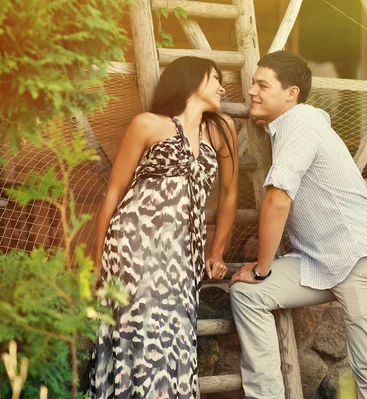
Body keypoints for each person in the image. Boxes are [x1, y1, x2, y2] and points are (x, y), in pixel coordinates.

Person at [229, 50, 367, 399]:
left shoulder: (301, 121)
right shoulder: (291, 125)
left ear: (291, 93)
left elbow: (278, 201)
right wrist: (259, 277)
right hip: (322, 263)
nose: (251, 91)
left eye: (263, 85)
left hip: (362, 261)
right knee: (248, 294)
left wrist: (262, 268)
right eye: (252, 84)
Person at [88, 56, 238, 399]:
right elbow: (115, 191)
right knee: (138, 335)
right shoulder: (147, 124)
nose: (222, 86)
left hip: (183, 253)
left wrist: (217, 250)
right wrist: (97, 260)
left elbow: (229, 194)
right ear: (191, 80)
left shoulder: (222, 128)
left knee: (176, 336)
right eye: (215, 78)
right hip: (133, 243)